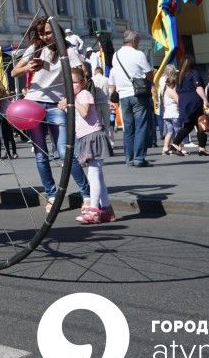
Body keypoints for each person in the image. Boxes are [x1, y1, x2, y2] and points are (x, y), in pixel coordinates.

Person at [10, 18, 91, 210]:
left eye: (48, 32)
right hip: (33, 103)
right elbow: (14, 72)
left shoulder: (68, 51)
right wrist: (28, 67)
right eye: (41, 33)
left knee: (65, 152)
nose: (45, 36)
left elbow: (81, 76)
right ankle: (52, 194)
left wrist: (71, 96)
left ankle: (87, 194)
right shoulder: (35, 49)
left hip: (56, 105)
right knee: (40, 154)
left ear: (57, 31)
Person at [63, 67, 116, 224]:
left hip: (93, 136)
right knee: (97, 175)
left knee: (93, 175)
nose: (69, 86)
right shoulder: (76, 96)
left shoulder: (84, 94)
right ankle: (106, 210)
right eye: (67, 83)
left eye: (72, 82)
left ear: (81, 82)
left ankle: (94, 211)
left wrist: (71, 102)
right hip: (85, 138)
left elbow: (85, 112)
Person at [110, 29, 155, 167]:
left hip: (123, 95)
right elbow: (149, 72)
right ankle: (139, 158)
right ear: (134, 41)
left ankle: (129, 158)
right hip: (138, 94)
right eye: (138, 41)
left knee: (128, 128)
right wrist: (149, 82)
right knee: (141, 126)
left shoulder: (115, 55)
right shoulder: (138, 54)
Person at [159, 67, 187, 156]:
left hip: (167, 115)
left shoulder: (165, 92)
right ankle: (179, 148)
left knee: (169, 132)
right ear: (174, 84)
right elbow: (179, 101)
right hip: (174, 114)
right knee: (178, 132)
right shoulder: (172, 91)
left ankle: (165, 148)